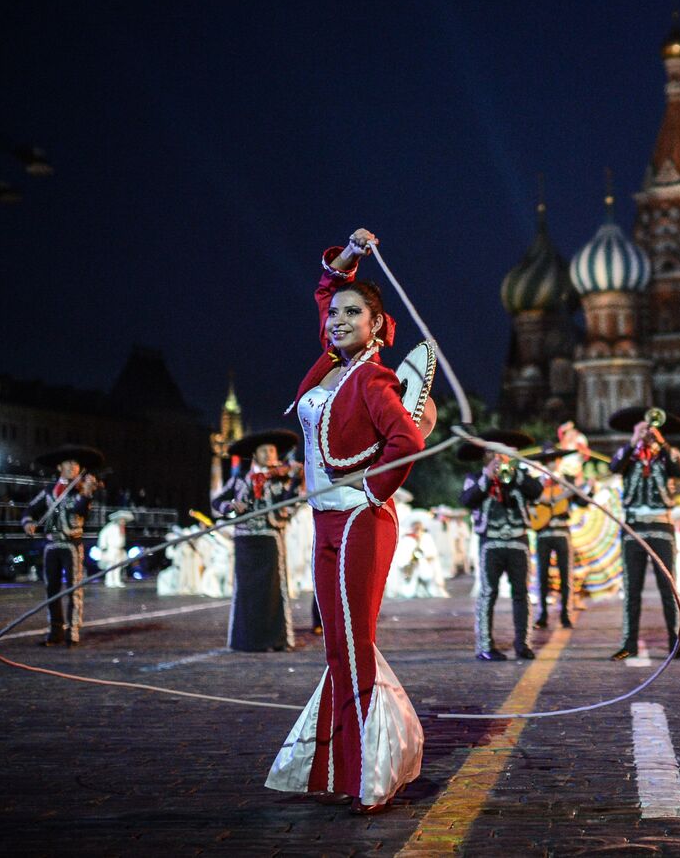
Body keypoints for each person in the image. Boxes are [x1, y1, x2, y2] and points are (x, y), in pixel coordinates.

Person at [265, 227, 426, 815]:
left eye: (352, 312)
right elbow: (327, 284)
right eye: (334, 312)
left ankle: (370, 769)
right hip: (323, 520)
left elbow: (405, 441)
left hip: (360, 520)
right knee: (336, 644)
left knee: (355, 643)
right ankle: (342, 764)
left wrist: (366, 489)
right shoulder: (329, 368)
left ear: (377, 326)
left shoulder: (372, 377)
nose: (337, 318)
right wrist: (352, 257)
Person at [608, 406, 680, 661]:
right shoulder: (629, 455)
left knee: (669, 589)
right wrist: (634, 441)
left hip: (661, 528)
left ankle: (676, 643)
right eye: (643, 428)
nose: (647, 432)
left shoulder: (668, 454)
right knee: (632, 590)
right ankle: (628, 644)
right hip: (634, 528)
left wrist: (661, 443)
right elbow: (613, 466)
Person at [459, 428, 542, 660]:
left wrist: (515, 473)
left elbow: (537, 491)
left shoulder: (520, 476)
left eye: (503, 453)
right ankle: (485, 646)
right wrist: (487, 477)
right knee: (488, 593)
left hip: (518, 541)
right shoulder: (474, 478)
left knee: (521, 594)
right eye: (494, 454)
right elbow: (467, 499)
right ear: (486, 455)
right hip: (490, 543)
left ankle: (522, 644)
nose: (499, 458)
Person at [214, 429, 300, 652]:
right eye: (265, 450)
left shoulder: (283, 479)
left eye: (272, 450)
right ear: (255, 454)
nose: (270, 454)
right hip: (245, 540)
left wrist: (296, 484)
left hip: (269, 538)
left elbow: (290, 505)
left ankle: (277, 639)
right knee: (246, 592)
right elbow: (217, 502)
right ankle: (246, 640)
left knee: (273, 591)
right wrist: (232, 506)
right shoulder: (240, 478)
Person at [21, 446, 103, 647]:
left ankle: (73, 630)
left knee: (74, 588)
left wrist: (87, 493)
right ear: (59, 467)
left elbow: (80, 510)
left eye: (76, 464)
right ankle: (55, 631)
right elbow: (30, 509)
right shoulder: (48, 491)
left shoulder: (81, 489)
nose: (73, 467)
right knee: (52, 589)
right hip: (51, 545)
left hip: (71, 545)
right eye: (69, 463)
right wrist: (28, 523)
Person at [533, 448, 584, 630]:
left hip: (562, 532)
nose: (552, 463)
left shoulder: (567, 481)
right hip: (543, 532)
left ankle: (565, 614)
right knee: (542, 575)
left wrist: (588, 492)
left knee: (566, 574)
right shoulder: (536, 482)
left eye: (555, 459)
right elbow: (531, 503)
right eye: (548, 460)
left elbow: (580, 501)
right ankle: (542, 614)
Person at [98, 510, 134, 588]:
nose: (123, 521)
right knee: (110, 565)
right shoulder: (110, 527)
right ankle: (109, 581)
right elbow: (103, 535)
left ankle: (117, 581)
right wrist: (103, 546)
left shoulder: (121, 528)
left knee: (118, 566)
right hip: (111, 549)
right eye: (122, 520)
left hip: (119, 549)